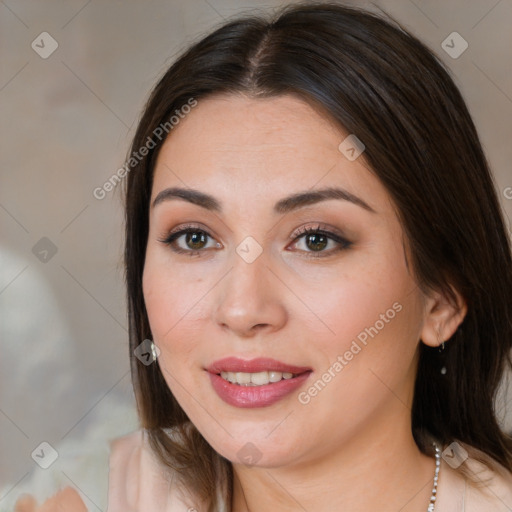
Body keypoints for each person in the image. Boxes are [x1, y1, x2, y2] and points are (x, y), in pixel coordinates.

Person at [15, 2, 512, 511]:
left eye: (316, 240)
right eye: (194, 238)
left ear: (443, 300)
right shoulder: (84, 494)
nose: (241, 309)